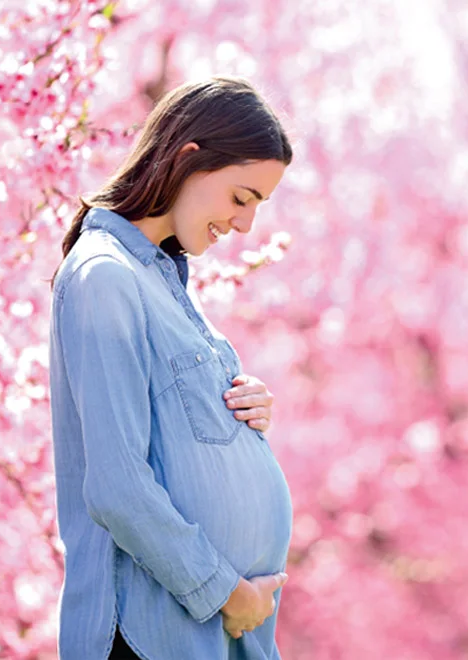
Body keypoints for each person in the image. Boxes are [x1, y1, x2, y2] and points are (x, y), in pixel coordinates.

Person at [48, 75, 295, 659]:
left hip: (207, 632)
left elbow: (179, 434)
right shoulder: (105, 277)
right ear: (189, 159)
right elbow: (116, 485)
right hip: (150, 632)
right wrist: (225, 590)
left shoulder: (165, 283)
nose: (245, 227)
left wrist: (244, 413)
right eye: (241, 198)